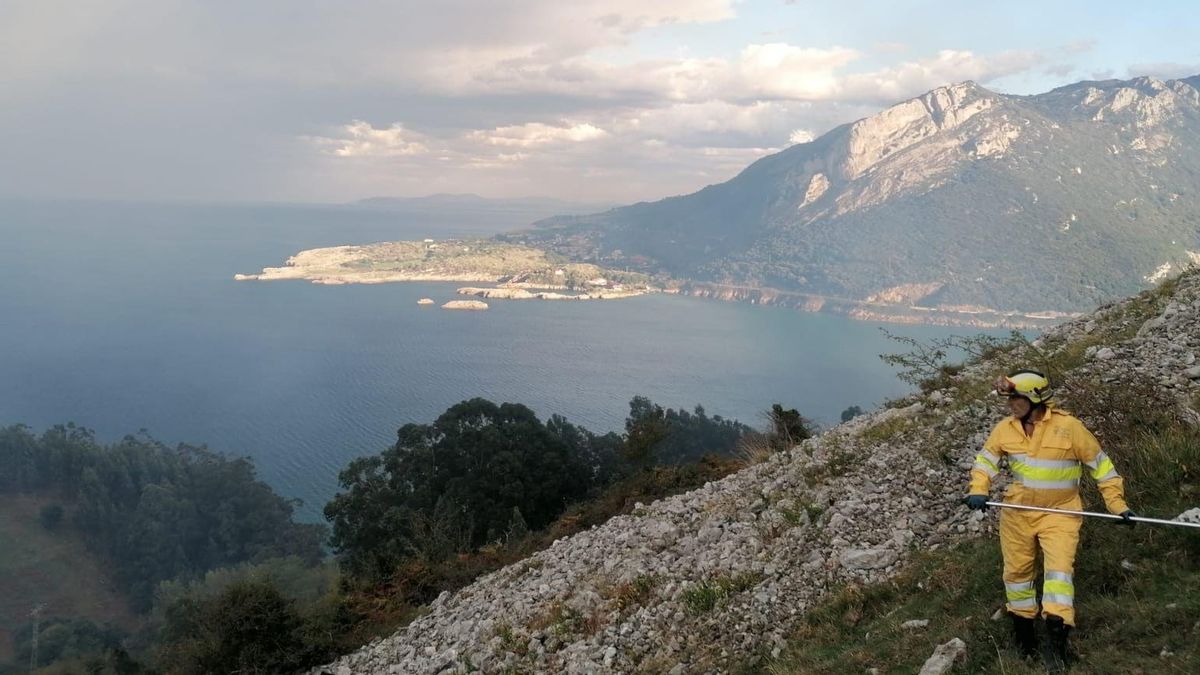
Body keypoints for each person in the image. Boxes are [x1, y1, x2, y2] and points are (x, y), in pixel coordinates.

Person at [963, 369, 1135, 670]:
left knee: (1058, 575)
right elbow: (985, 462)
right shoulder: (1005, 429)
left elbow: (1102, 467)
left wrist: (1117, 505)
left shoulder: (1069, 428)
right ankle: (1025, 640)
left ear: (1034, 398)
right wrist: (979, 489)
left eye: (1015, 398)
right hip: (1017, 514)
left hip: (1062, 514)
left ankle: (1057, 645)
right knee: (1017, 575)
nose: (1010, 405)